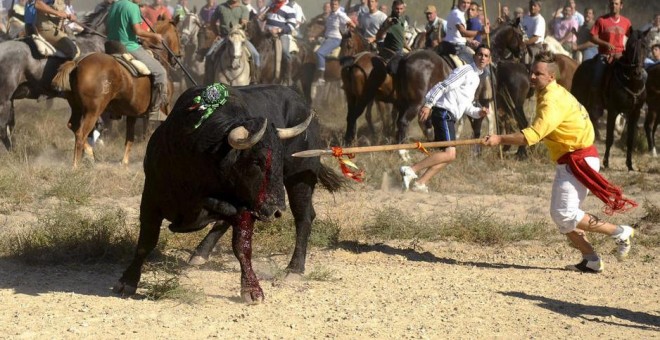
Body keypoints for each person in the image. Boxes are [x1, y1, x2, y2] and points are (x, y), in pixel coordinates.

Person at [483, 51, 637, 273]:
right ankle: (591, 259)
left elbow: (531, 137)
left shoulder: (551, 101)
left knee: (563, 214)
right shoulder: (550, 92)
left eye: (538, 73)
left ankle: (620, 232)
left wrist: (499, 138)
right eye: (532, 72)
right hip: (574, 159)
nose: (532, 77)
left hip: (578, 160)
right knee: (563, 217)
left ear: (551, 76)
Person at [399, 45, 491, 193]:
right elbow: (443, 85)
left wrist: (479, 112)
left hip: (450, 116)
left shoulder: (476, 78)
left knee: (449, 156)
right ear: (475, 56)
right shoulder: (466, 71)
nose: (483, 58)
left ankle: (420, 183)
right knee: (449, 153)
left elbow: (466, 106)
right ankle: (410, 170)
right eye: (480, 54)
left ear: (489, 60)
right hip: (443, 113)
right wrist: (428, 104)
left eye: (486, 56)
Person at [107, 0, 168, 117]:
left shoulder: (115, 5)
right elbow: (138, 31)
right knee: (161, 72)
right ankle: (155, 110)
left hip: (111, 46)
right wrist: (154, 35)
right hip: (129, 47)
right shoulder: (133, 7)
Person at [589, 0, 632, 110]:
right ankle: (596, 103)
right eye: (612, 3)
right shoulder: (601, 20)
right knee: (597, 77)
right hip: (605, 55)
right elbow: (593, 37)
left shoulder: (626, 22)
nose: (614, 5)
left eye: (616, 3)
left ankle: (633, 103)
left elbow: (632, 38)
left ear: (621, 6)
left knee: (637, 75)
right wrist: (605, 44)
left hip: (621, 56)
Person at [207, 0, 260, 79]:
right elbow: (212, 22)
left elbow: (244, 23)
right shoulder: (220, 7)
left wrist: (236, 30)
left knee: (256, 55)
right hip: (224, 37)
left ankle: (254, 78)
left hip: (239, 38)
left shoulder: (243, 9)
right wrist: (217, 34)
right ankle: (208, 79)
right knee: (209, 55)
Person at [315, 0, 355, 85]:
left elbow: (352, 24)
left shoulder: (341, 14)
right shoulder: (331, 14)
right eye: (332, 4)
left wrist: (347, 27)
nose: (333, 6)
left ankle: (321, 77)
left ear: (338, 5)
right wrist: (316, 36)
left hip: (335, 39)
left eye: (335, 4)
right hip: (326, 38)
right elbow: (326, 28)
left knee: (319, 53)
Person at [261, 0, 297, 85]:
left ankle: (287, 77)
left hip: (281, 35)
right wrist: (263, 17)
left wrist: (278, 30)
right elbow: (267, 17)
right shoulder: (271, 5)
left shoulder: (289, 8)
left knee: (285, 53)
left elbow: (292, 25)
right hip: (267, 34)